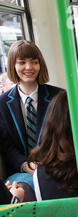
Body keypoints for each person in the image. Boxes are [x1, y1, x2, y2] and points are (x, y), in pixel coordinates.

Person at [0, 40, 61, 192]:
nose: (29, 67)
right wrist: (25, 165)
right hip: (21, 171)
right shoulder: (3, 103)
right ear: (13, 66)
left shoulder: (58, 97)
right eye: (22, 62)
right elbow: (6, 146)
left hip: (56, 167)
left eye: (34, 62)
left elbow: (65, 137)